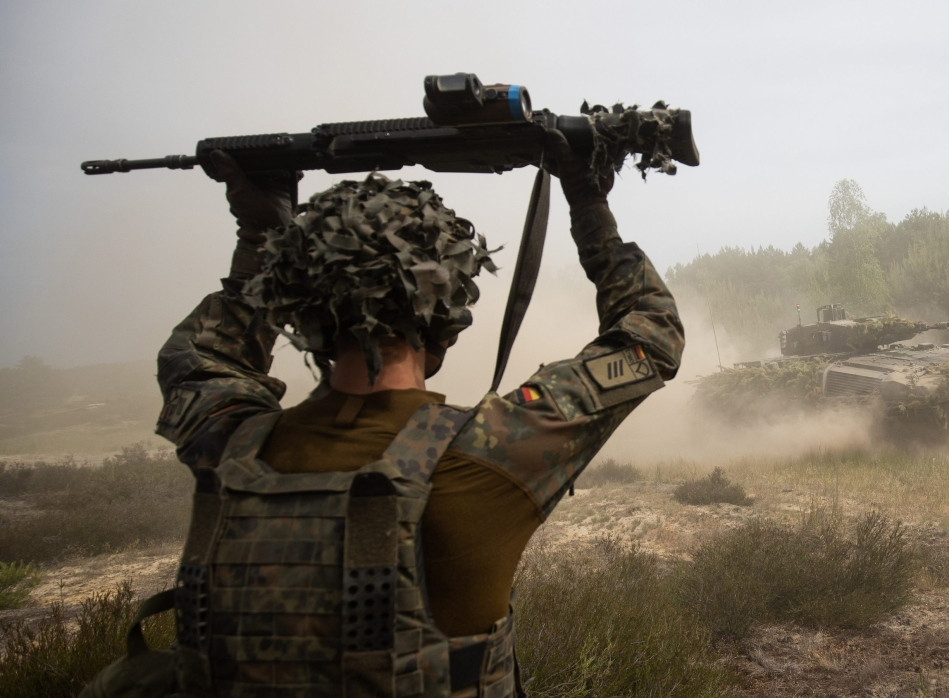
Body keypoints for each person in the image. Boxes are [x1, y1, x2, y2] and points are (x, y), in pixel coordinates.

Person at [150, 134, 684, 696]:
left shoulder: (227, 439)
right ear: (447, 316)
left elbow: (203, 355)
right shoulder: (488, 453)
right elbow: (649, 335)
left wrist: (261, 232)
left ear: (299, 313)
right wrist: (588, 201)